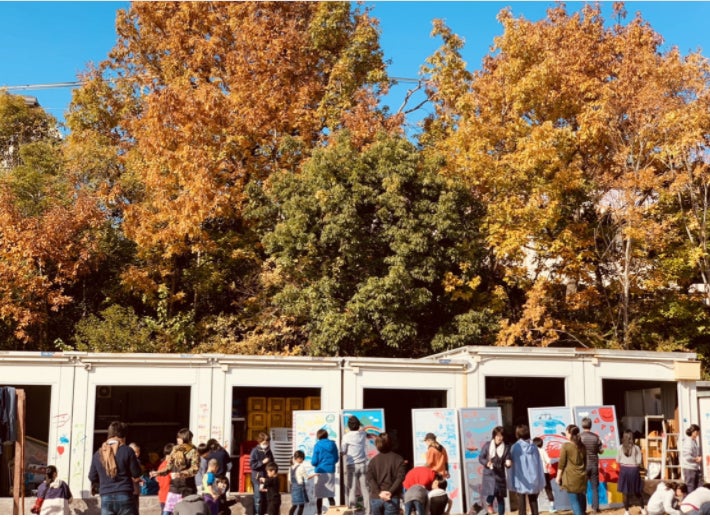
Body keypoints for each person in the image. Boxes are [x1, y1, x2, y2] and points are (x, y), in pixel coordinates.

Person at [150, 427, 200, 515]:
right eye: (177, 437)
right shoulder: (175, 449)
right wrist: (158, 473)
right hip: (174, 488)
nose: (177, 439)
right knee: (166, 513)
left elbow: (195, 469)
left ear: (185, 438)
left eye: (179, 437)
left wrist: (181, 474)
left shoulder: (193, 451)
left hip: (187, 490)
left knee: (185, 513)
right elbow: (169, 467)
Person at [508, 424, 545, 515]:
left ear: (517, 434)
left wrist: (511, 479)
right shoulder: (533, 446)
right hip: (533, 477)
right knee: (533, 500)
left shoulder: (516, 447)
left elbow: (511, 464)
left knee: (521, 502)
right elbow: (538, 463)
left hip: (521, 479)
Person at [366, 432, 407, 515]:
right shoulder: (398, 459)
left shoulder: (373, 461)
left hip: (376, 497)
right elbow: (400, 478)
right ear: (391, 443)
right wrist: (390, 492)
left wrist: (379, 492)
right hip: (392, 497)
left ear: (377, 444)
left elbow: (370, 478)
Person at [556, 424, 587, 516]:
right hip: (581, 476)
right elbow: (585, 462)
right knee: (581, 499)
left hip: (571, 478)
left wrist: (558, 477)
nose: (566, 434)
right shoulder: (582, 446)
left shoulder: (566, 446)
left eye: (566, 433)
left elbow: (561, 463)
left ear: (570, 434)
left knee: (574, 501)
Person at [479, 426, 511, 515]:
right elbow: (481, 458)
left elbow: (508, 458)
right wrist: (487, 463)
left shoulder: (506, 447)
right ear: (494, 436)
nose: (500, 438)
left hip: (500, 475)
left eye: (501, 435)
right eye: (498, 435)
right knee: (492, 492)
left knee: (500, 498)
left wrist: (508, 463)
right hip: (489, 474)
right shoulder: (487, 445)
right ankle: (489, 502)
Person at [341, 415, 370, 514]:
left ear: (349, 426)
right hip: (362, 464)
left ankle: (353, 513)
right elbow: (363, 427)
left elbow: (343, 451)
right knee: (365, 489)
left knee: (352, 489)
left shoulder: (346, 436)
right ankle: (368, 512)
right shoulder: (363, 434)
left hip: (351, 465)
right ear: (358, 425)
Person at [617, 429, 647, 516]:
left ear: (624, 437)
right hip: (634, 470)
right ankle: (643, 509)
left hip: (624, 470)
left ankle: (627, 511)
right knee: (637, 490)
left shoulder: (620, 447)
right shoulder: (636, 448)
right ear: (632, 437)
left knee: (625, 492)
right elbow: (639, 461)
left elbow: (617, 460)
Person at [311, 428, 339, 515]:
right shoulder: (333, 444)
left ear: (318, 436)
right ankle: (333, 514)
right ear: (326, 435)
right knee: (330, 494)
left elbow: (314, 461)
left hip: (320, 471)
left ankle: (319, 514)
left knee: (319, 496)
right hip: (330, 471)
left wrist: (316, 464)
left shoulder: (317, 445)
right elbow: (336, 458)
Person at [580, 416, 604, 514]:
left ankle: (583, 509)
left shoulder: (579, 437)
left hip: (583, 465)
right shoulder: (596, 437)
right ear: (591, 425)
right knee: (594, 487)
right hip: (594, 464)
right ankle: (595, 508)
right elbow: (601, 451)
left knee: (583, 488)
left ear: (582, 425)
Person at [249, 432, 275, 515]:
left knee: (265, 497)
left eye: (267, 443)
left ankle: (264, 513)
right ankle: (257, 513)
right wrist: (262, 462)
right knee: (258, 497)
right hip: (257, 478)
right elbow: (252, 465)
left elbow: (272, 462)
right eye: (264, 443)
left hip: (266, 477)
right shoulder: (255, 451)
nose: (266, 444)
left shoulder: (269, 451)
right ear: (260, 442)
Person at [533, 436, 555, 513]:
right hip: (544, 472)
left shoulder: (532, 451)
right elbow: (548, 461)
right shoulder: (542, 450)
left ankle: (534, 508)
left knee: (536, 490)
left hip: (536, 473)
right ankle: (552, 506)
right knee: (548, 489)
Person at [682, 424, 702, 493]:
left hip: (694, 467)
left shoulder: (694, 441)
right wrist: (696, 459)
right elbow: (687, 456)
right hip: (689, 468)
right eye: (697, 432)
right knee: (690, 487)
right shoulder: (688, 442)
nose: (698, 434)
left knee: (696, 487)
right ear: (694, 432)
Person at [288, 450, 308, 515]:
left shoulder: (291, 468)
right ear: (300, 458)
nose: (303, 460)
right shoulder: (301, 467)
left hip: (293, 488)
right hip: (300, 488)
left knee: (294, 505)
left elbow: (289, 480)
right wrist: (315, 475)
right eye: (302, 458)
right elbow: (307, 477)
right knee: (301, 505)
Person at [157, 443, 175, 514]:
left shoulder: (162, 465)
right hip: (169, 496)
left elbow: (158, 479)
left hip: (164, 495)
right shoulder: (169, 466)